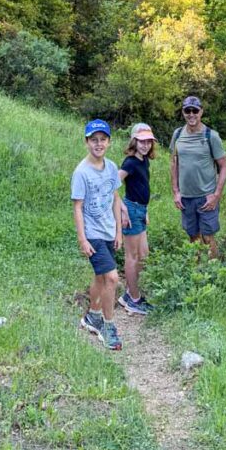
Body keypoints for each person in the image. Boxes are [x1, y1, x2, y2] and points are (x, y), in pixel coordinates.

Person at [72, 119, 124, 351]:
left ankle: (93, 315)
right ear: (86, 142)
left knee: (100, 277)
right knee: (112, 278)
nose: (98, 144)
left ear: (109, 143)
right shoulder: (81, 172)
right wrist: (83, 239)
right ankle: (108, 325)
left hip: (108, 230)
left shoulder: (112, 168)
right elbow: (78, 207)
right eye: (94, 140)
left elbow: (114, 198)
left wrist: (119, 231)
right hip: (92, 233)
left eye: (103, 140)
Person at [170, 96, 226, 259]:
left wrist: (216, 195)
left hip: (206, 197)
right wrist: (176, 191)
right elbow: (174, 163)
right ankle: (196, 273)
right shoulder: (177, 134)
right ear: (183, 112)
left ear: (201, 111)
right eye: (187, 110)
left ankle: (213, 272)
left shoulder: (211, 136)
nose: (191, 114)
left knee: (208, 237)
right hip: (186, 197)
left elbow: (224, 165)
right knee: (193, 237)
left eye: (195, 110)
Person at [118, 123, 157, 315]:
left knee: (144, 255)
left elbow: (142, 186)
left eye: (149, 141)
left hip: (141, 210)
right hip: (131, 210)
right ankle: (133, 299)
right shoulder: (130, 162)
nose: (145, 145)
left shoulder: (144, 161)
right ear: (135, 141)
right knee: (132, 257)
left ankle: (129, 292)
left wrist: (145, 210)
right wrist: (122, 208)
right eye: (142, 141)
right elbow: (112, 184)